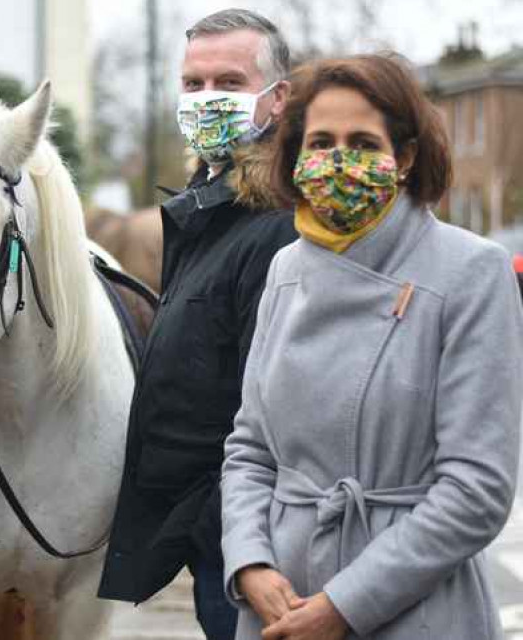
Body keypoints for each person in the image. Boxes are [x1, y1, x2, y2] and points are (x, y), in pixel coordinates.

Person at [222, 53, 523, 640]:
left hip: (412, 604)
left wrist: (344, 606)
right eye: (321, 142)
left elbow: (477, 489)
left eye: (361, 141)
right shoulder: (284, 269)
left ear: (404, 157)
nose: (337, 160)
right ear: (296, 156)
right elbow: (250, 450)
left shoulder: (472, 272)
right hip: (279, 602)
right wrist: (249, 562)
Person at [98, 9, 298, 639]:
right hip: (212, 532)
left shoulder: (277, 224)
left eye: (230, 83)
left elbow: (269, 405)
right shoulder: (210, 204)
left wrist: (219, 526)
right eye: (194, 85)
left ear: (278, 98)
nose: (208, 100)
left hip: (245, 540)